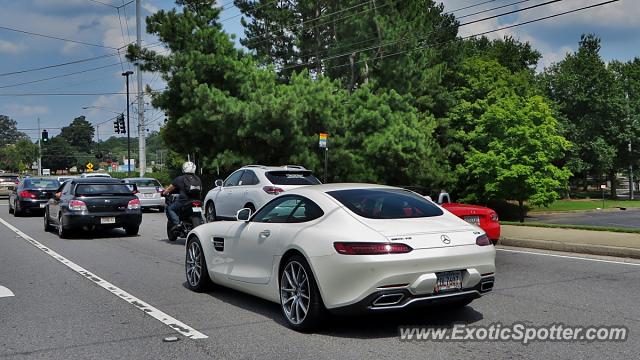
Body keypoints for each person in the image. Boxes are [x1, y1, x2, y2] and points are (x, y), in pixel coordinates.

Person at [162, 161, 202, 231]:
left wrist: (164, 193)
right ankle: (201, 221)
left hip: (184, 201)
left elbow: (169, 189)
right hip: (197, 201)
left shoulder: (179, 179)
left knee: (170, 209)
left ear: (184, 168)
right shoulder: (198, 179)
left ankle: (177, 224)